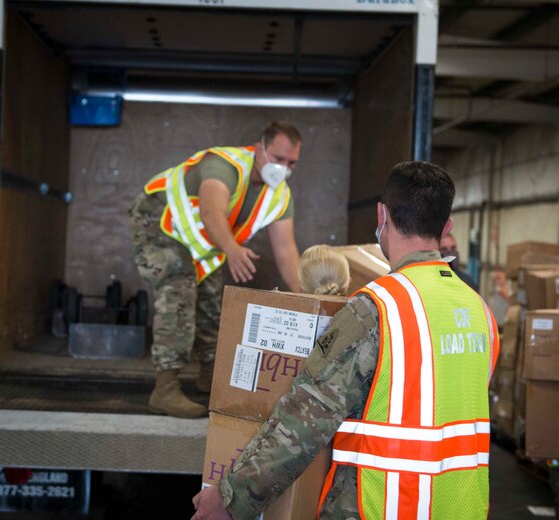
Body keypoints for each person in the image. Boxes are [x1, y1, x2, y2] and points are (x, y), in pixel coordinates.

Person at [191, 161, 500, 519]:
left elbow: (304, 421)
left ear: (382, 215)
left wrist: (230, 501)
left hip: (384, 504)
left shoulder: (378, 308)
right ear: (446, 225)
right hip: (461, 507)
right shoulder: (480, 311)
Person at [129, 121, 302, 418]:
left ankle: (210, 377)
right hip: (159, 223)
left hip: (199, 243)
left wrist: (309, 297)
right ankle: (165, 388)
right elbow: (211, 211)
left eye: (291, 163)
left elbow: (286, 251)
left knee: (211, 298)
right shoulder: (226, 166)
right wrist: (233, 250)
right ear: (260, 148)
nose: (283, 168)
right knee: (179, 290)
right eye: (278, 158)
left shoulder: (279, 196)